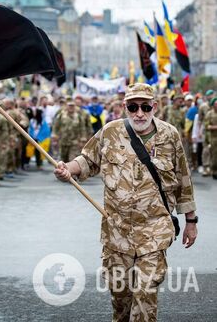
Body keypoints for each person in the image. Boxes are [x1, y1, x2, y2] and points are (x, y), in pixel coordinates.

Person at [54, 83, 198, 321]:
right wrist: (66, 169)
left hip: (154, 230)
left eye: (144, 106)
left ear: (155, 106)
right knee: (121, 301)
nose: (139, 113)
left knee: (145, 295)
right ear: (125, 107)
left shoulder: (170, 135)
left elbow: (184, 180)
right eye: (132, 107)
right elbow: (87, 160)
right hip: (117, 232)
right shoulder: (109, 132)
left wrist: (191, 221)